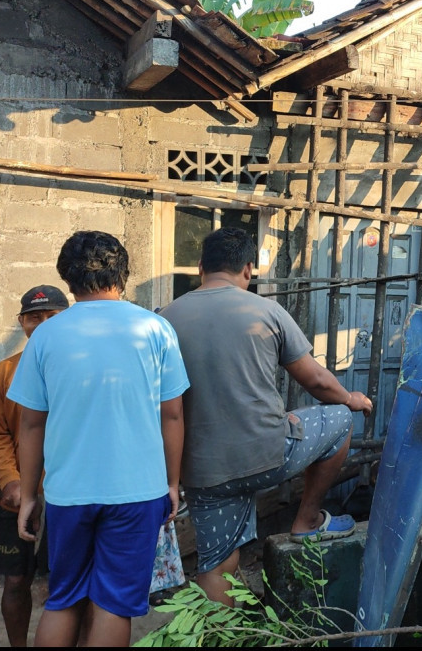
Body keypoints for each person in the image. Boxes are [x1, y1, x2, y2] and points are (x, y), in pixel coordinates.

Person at [160, 226, 373, 606]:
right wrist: (352, 397)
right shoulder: (264, 310)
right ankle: (307, 519)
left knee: (214, 565)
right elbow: (318, 382)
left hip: (203, 472)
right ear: (248, 268)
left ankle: (218, 635)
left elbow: (165, 409)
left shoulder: (166, 319)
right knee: (340, 418)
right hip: (266, 455)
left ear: (199, 268)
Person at [7, 231, 188, 647]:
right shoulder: (156, 328)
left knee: (63, 599)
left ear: (67, 279)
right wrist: (172, 483)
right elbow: (173, 414)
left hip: (70, 492)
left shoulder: (46, 336)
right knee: (113, 605)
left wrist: (31, 494)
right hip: (137, 491)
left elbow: (31, 425)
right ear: (122, 274)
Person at [0, 284, 69, 647]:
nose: (43, 323)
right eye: (34, 317)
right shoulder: (3, 373)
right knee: (15, 581)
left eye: (52, 316)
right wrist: (12, 480)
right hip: (16, 494)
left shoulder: (80, 369)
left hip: (67, 492)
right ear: (22, 322)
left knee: (65, 581)